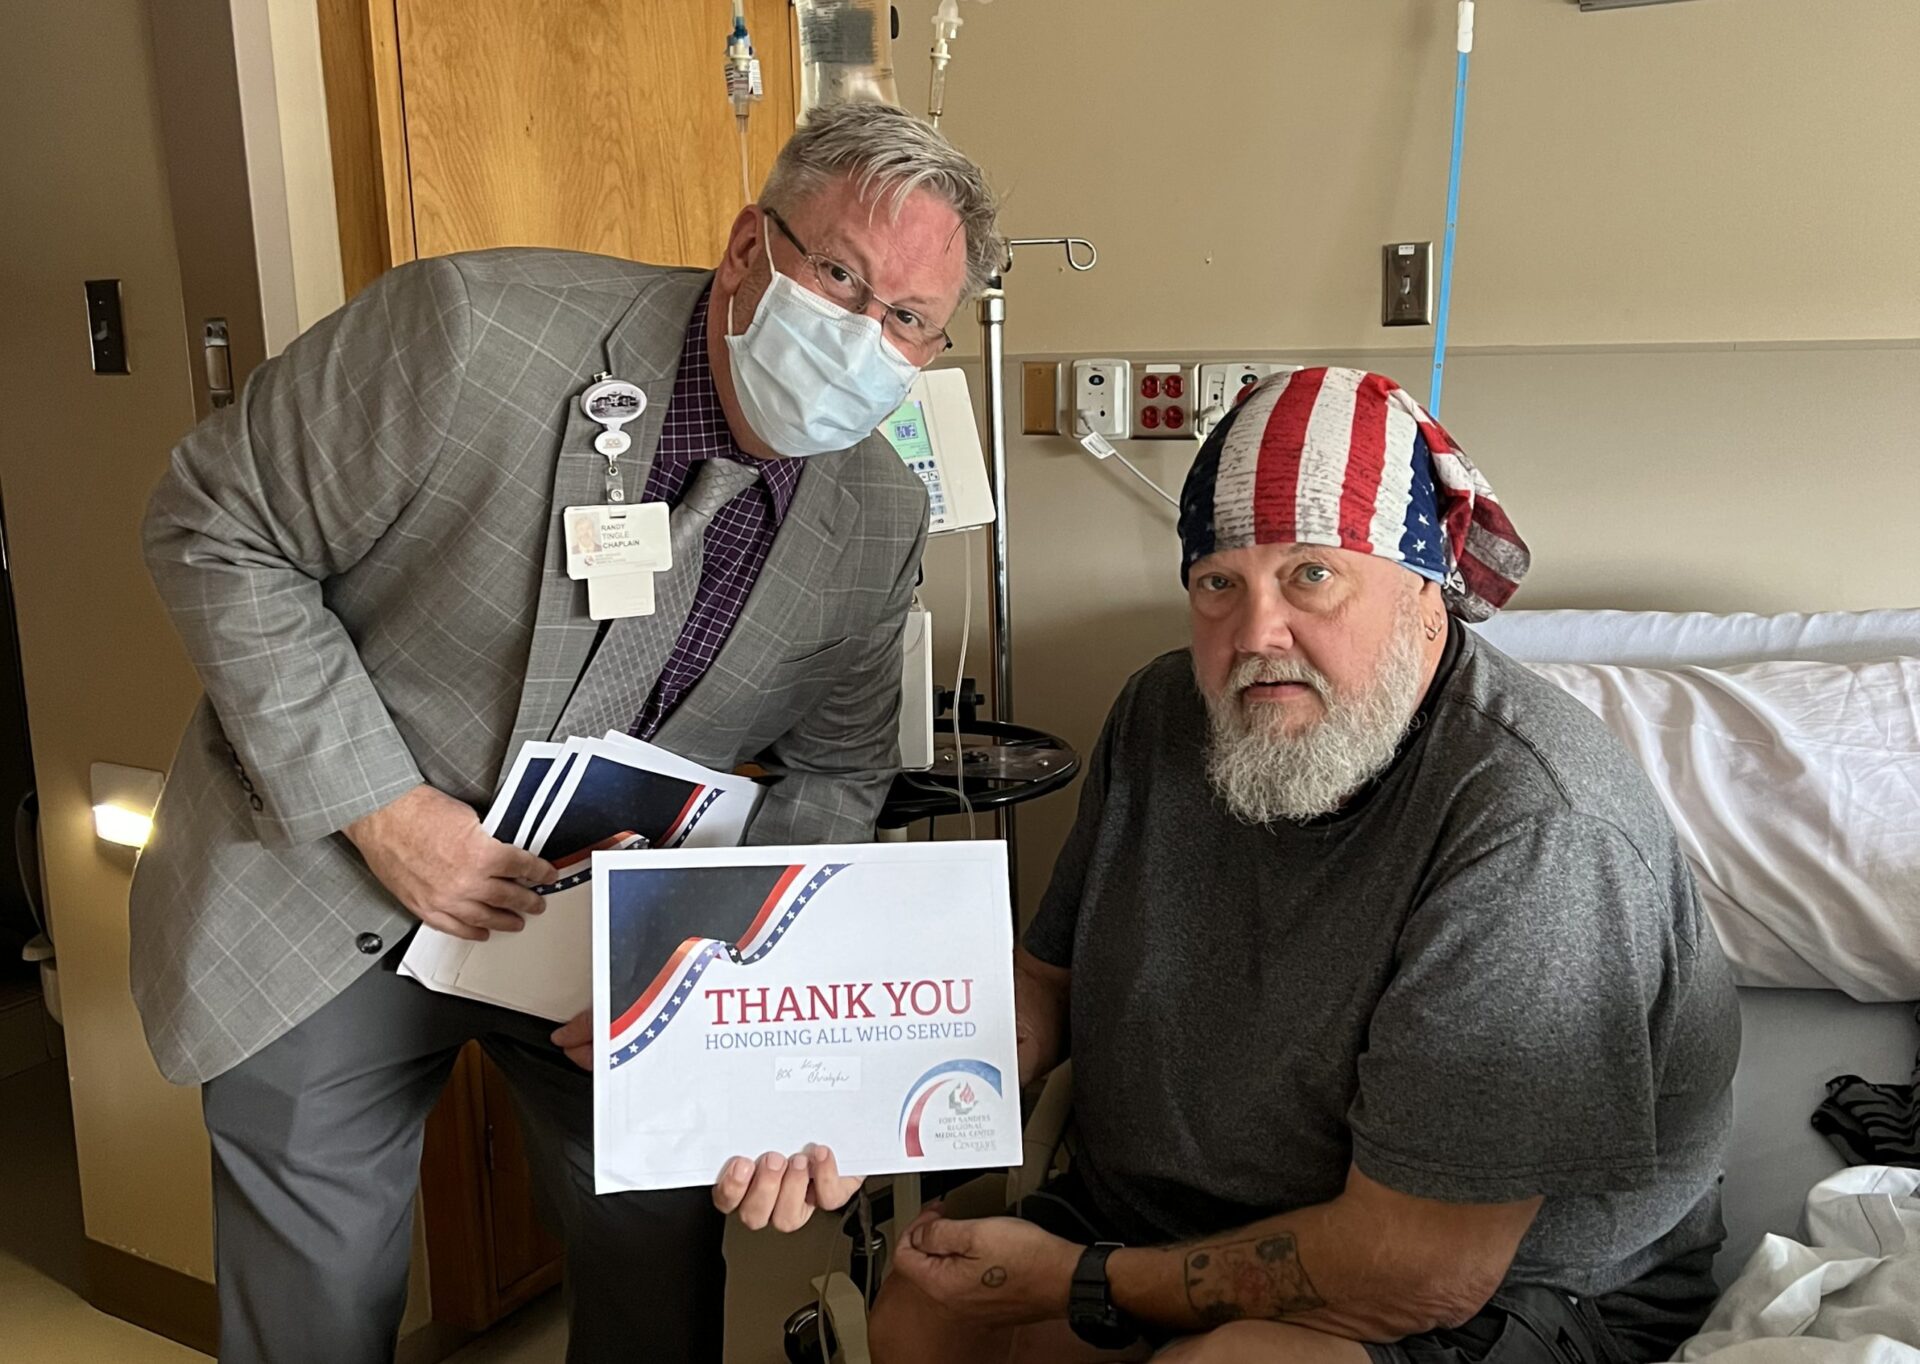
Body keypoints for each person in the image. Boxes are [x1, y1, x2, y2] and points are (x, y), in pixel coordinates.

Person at [131, 102, 1002, 1364]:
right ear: (750, 249)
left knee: (655, 1264)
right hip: (328, 873)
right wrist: (382, 805)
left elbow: (836, 771)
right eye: (842, 276)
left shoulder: (874, 512)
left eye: (911, 318)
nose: (870, 334)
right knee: (310, 1305)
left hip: (609, 933)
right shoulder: (470, 334)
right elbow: (213, 525)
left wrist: (751, 1002)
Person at [719, 367, 1742, 1364]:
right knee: (922, 1315)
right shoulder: (1165, 715)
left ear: (1427, 599)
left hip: (1500, 1286)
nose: (1257, 634)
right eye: (1218, 582)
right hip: (1152, 1217)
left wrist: (1081, 1281)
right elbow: (1044, 987)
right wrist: (861, 1110)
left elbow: (1422, 1267)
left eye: (1312, 573)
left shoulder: (1534, 828)